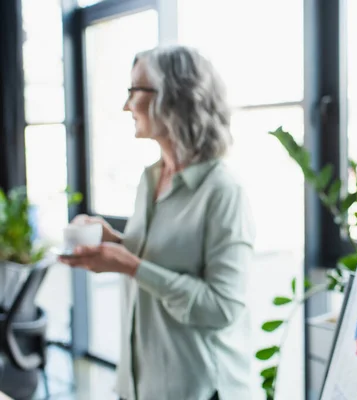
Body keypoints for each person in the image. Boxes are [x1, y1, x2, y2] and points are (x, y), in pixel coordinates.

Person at [59, 45, 256, 400]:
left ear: (175, 98)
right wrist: (116, 244)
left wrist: (131, 266)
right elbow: (161, 261)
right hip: (139, 386)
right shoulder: (150, 178)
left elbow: (222, 308)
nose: (126, 105)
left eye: (135, 90)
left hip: (196, 388)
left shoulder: (223, 192)